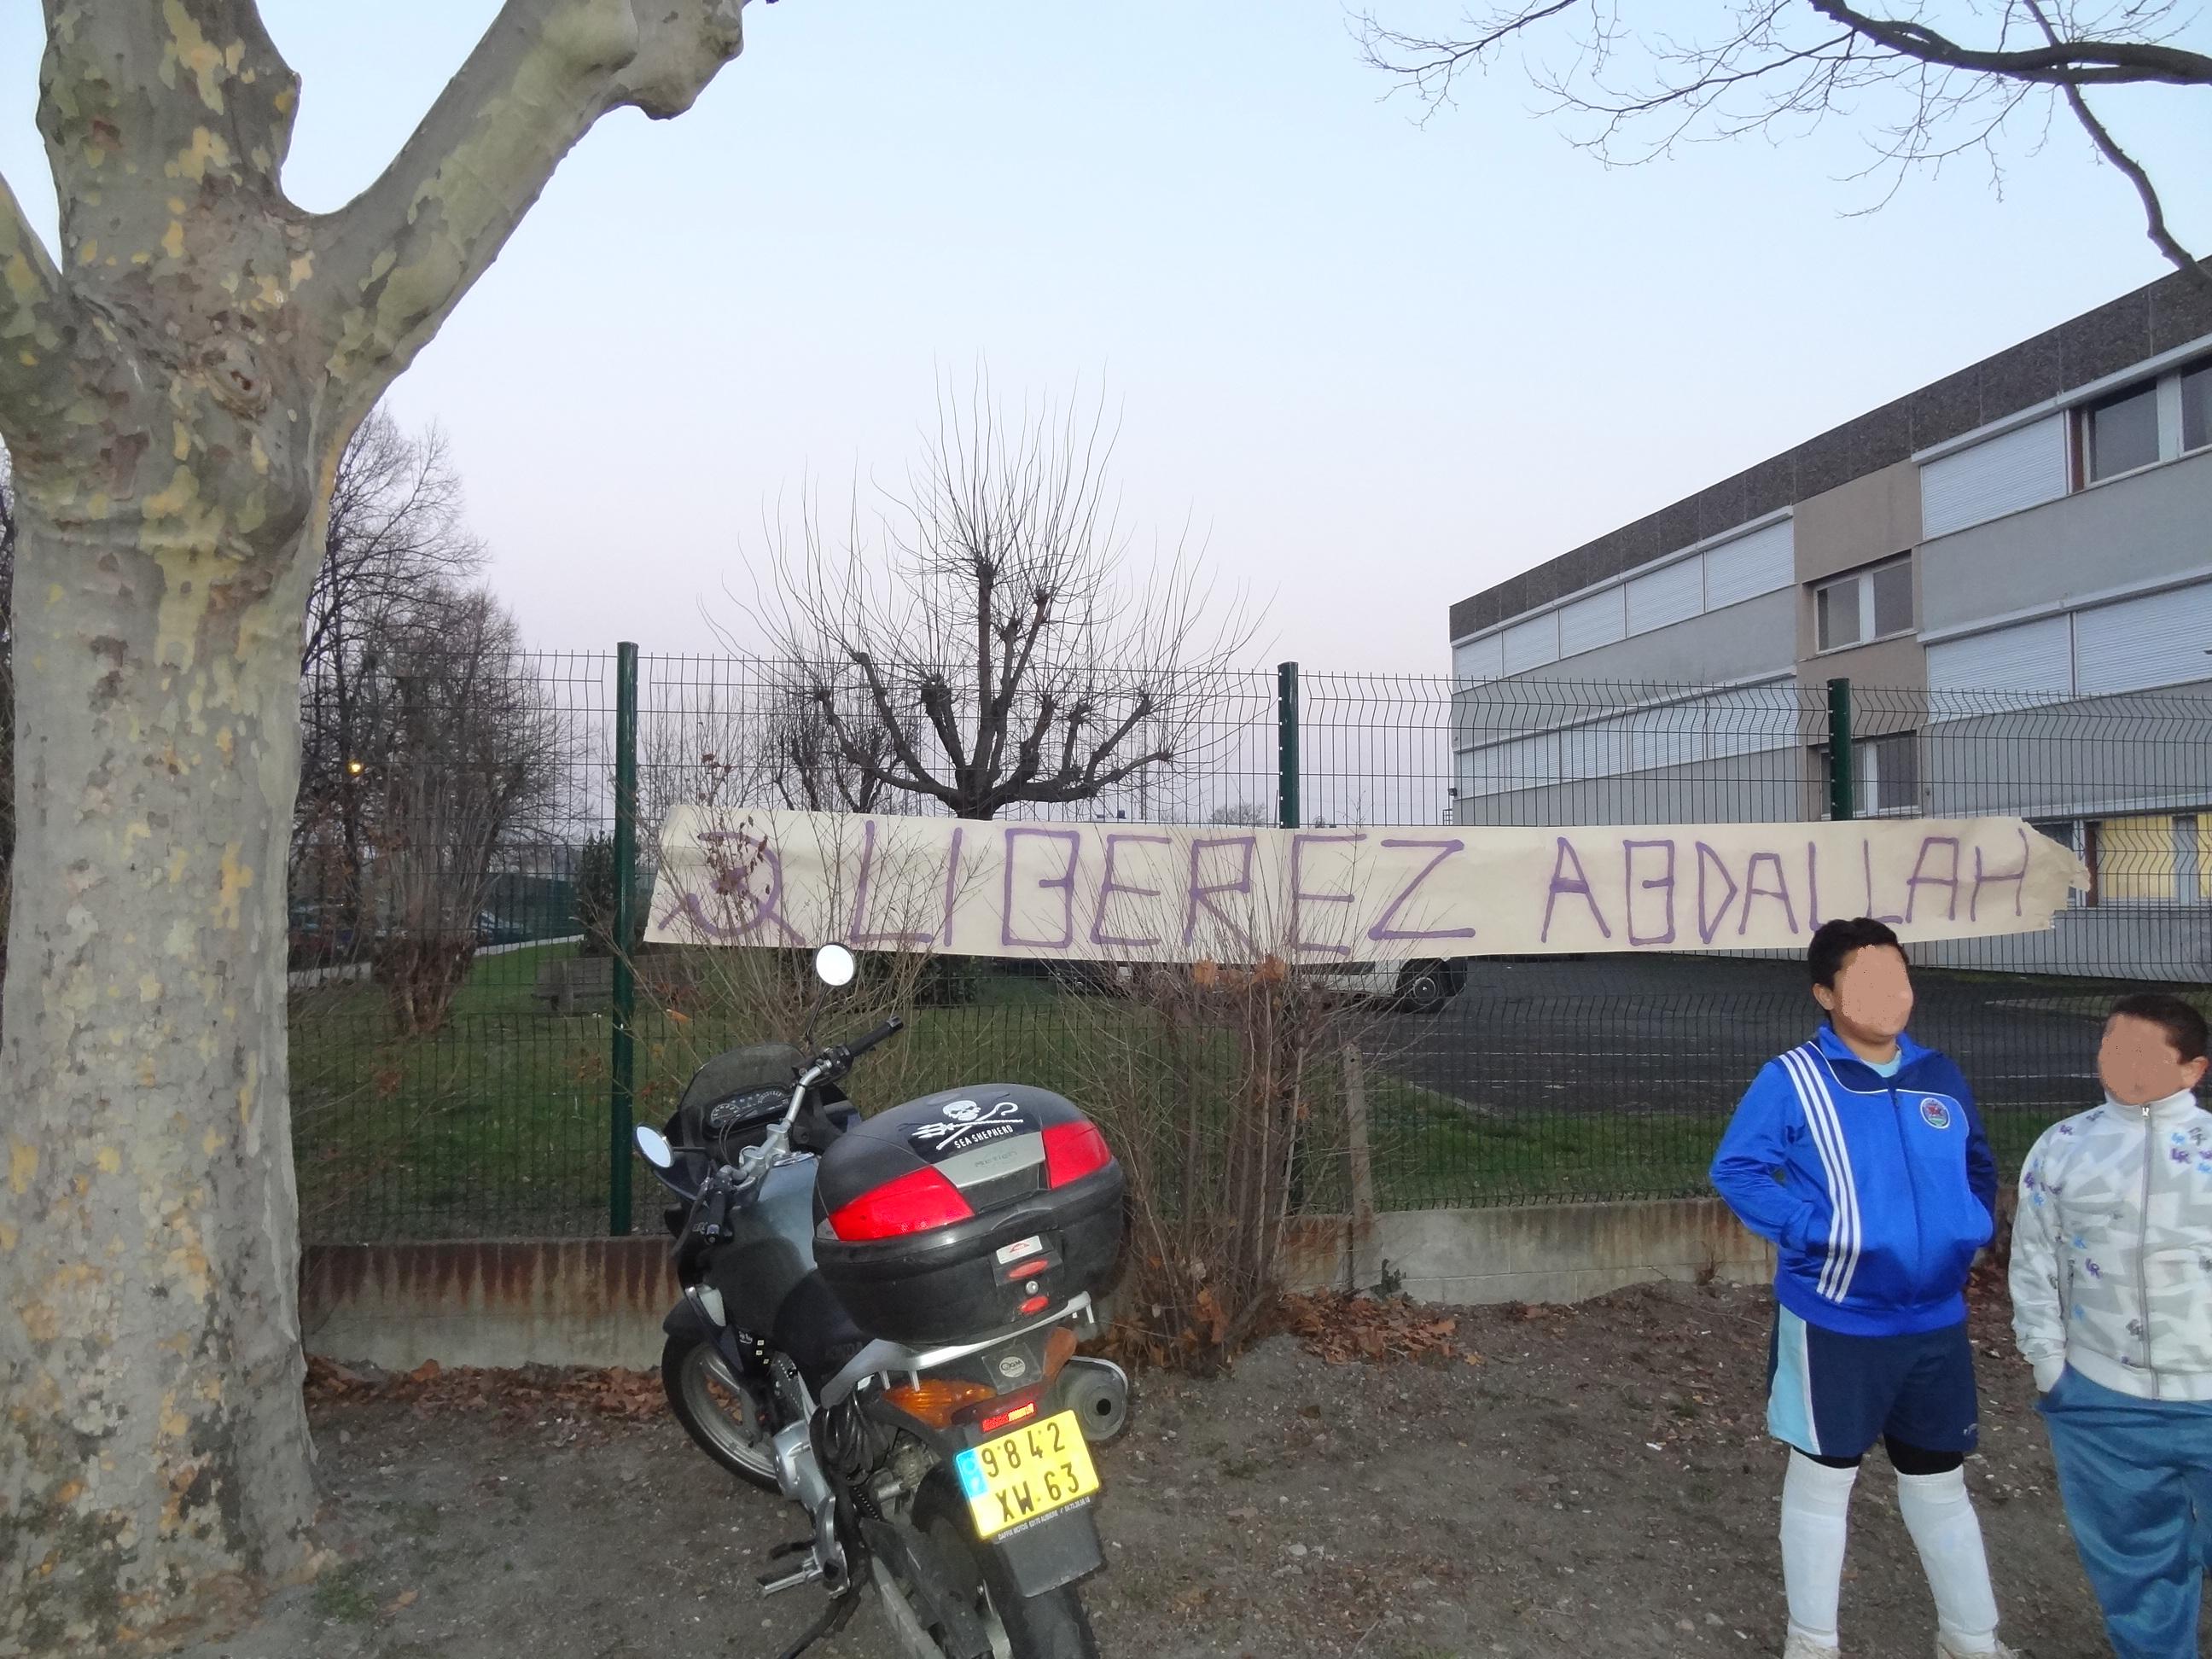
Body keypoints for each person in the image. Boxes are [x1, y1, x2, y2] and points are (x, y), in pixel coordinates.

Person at [1711, 917, 2019, 1659]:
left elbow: (1977, 1164)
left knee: (1940, 1483)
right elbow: (1738, 1170)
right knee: (1824, 1483)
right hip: (1837, 1322)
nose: (1891, 996)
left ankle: (1971, 1639)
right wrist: (1818, 1232)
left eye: (1900, 978)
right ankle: (1812, 1642)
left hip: (1936, 1323)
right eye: (1868, 981)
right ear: (1825, 992)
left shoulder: (1939, 1075)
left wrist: (1969, 1227)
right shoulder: (1793, 1079)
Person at [2011, 992, 2212, 1659]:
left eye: (2139, 1050)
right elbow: (2034, 1258)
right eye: (2109, 1043)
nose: (2116, 1060)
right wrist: (2050, 1367)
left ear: (2193, 1070)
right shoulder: (2064, 1146)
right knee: (2135, 1576)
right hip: (2102, 1405)